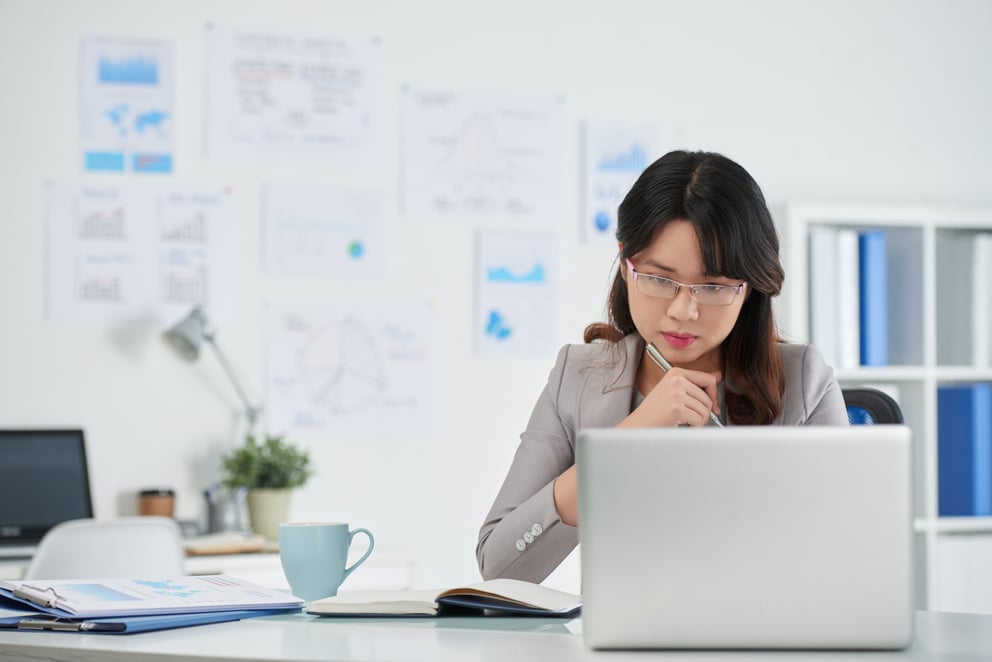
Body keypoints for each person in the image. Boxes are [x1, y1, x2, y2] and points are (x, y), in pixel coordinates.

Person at [476, 149, 849, 584]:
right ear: (625, 264)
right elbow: (498, 566)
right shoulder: (577, 379)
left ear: (749, 289)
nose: (683, 310)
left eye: (712, 286)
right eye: (658, 279)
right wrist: (625, 442)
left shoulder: (804, 381)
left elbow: (846, 559)